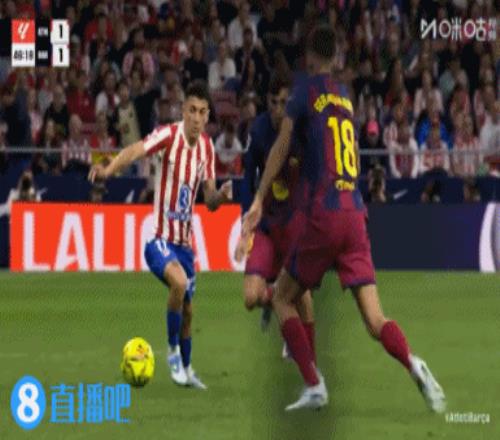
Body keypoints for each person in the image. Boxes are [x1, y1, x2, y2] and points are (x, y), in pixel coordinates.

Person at [243, 25, 446, 412]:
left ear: (309, 58)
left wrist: (257, 198)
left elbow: (282, 147)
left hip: (325, 212)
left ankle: (314, 384)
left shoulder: (304, 92)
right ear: (336, 57)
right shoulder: (345, 98)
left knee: (283, 297)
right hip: (355, 212)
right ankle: (412, 362)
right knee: (375, 319)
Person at [89, 81, 232, 389]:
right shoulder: (169, 135)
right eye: (191, 110)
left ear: (208, 116)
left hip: (185, 245)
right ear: (183, 110)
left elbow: (209, 201)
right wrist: (108, 170)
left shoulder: (207, 148)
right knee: (178, 283)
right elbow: (135, 150)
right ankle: (172, 353)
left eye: (202, 112)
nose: (196, 118)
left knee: (188, 311)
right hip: (159, 239)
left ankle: (188, 370)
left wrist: (220, 196)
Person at [236, 74, 315, 360]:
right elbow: (248, 179)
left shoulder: (302, 134)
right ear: (266, 102)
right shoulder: (258, 132)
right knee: (250, 298)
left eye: (284, 103)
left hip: (294, 223)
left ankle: (306, 355)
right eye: (273, 102)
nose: (278, 109)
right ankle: (275, 302)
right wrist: (246, 221)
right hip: (267, 225)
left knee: (301, 293)